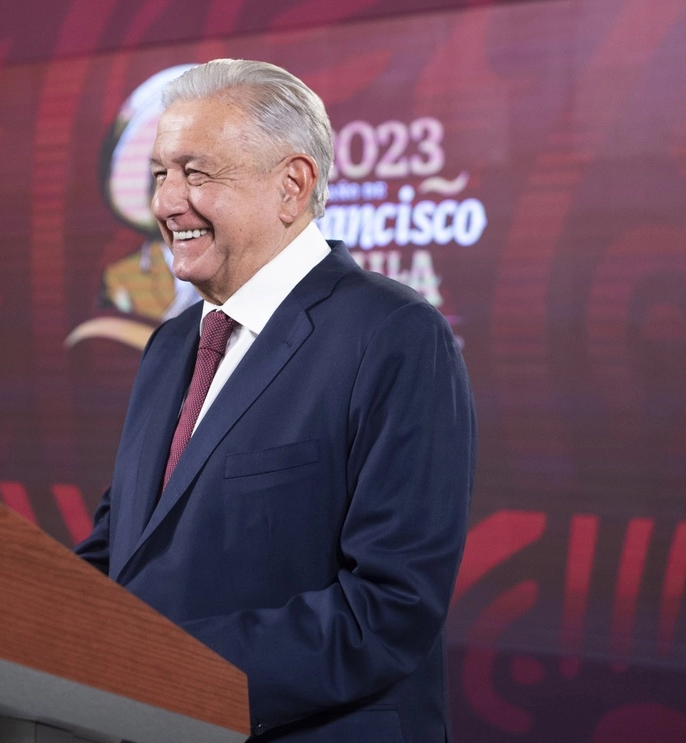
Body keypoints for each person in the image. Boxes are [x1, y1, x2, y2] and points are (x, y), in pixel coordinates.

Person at [75, 59, 476, 742]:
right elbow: (123, 550)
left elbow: (388, 606)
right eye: (159, 175)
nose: (167, 203)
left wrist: (163, 667)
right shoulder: (171, 344)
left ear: (292, 186)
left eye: (196, 174)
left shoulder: (394, 336)